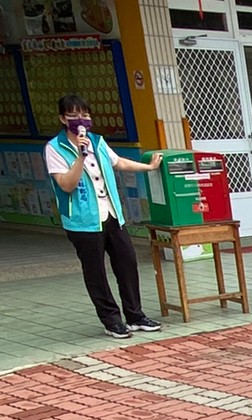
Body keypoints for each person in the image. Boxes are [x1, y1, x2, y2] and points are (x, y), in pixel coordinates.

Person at [45, 94, 165, 339]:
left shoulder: (97, 141)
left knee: (127, 262)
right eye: (74, 115)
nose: (81, 120)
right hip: (82, 221)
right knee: (95, 271)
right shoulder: (54, 148)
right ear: (62, 118)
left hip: (111, 213)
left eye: (85, 115)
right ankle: (111, 321)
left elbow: (117, 162)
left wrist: (149, 168)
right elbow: (66, 184)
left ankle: (135, 315)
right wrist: (80, 155)